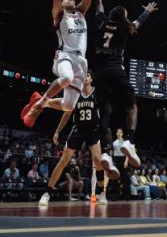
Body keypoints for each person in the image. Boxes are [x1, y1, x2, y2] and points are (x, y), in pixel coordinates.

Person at [23, 0, 109, 127]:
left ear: (75, 3)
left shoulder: (80, 12)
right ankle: (39, 106)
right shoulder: (59, 15)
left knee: (69, 106)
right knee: (67, 78)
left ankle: (42, 101)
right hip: (64, 56)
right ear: (62, 4)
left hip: (81, 61)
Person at [88, 0, 153, 170]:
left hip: (99, 73)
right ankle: (129, 142)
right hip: (116, 70)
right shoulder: (125, 27)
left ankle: (105, 153)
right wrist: (147, 11)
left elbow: (98, 1)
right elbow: (139, 22)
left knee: (105, 112)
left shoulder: (101, 21)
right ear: (124, 16)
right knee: (132, 106)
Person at [39, 71, 114, 206]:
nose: (85, 78)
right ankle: (47, 193)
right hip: (78, 129)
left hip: (93, 130)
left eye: (88, 75)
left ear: (91, 79)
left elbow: (104, 113)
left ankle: (101, 193)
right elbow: (67, 113)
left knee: (98, 161)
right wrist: (57, 131)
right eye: (83, 75)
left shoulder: (97, 93)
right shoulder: (76, 94)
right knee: (63, 160)